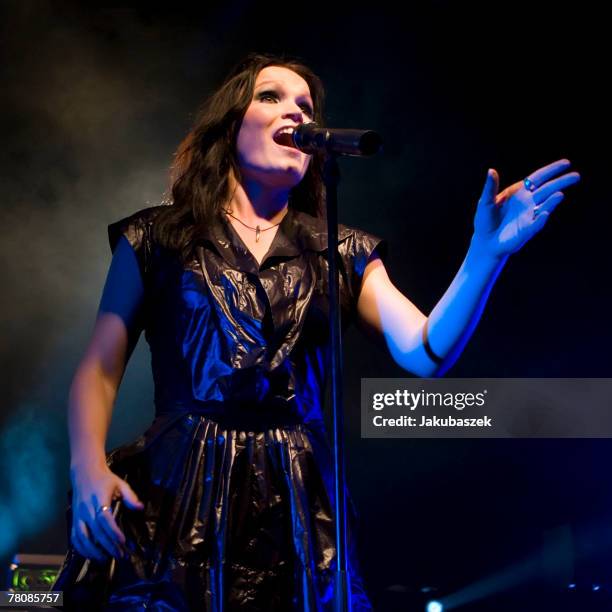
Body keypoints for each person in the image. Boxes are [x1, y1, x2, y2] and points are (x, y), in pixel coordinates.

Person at [51, 52, 580, 611]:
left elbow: (424, 351)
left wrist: (484, 256)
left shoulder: (342, 250)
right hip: (182, 491)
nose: (296, 112)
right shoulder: (156, 238)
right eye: (271, 97)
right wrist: (87, 466)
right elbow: (100, 367)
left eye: (306, 105)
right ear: (231, 124)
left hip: (298, 502)